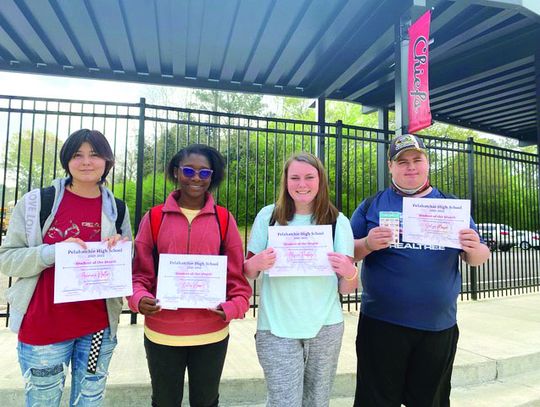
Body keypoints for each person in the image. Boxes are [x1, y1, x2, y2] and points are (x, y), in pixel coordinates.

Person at [350, 134, 491, 407]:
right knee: (375, 400)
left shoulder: (451, 207)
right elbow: (345, 254)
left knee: (431, 401)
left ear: (427, 163)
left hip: (438, 327)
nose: (410, 166)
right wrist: (367, 244)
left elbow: (478, 256)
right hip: (381, 325)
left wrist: (474, 248)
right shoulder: (372, 205)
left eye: (417, 159)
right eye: (402, 161)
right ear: (390, 166)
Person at [0, 129, 132, 406]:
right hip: (44, 327)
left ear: (107, 161)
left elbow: (126, 267)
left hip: (97, 329)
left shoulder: (117, 209)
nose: (86, 162)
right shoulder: (37, 203)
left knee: (90, 400)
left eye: (95, 155)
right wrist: (53, 252)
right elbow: (8, 258)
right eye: (77, 155)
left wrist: (119, 249)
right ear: (66, 161)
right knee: (43, 401)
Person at [128, 143, 252, 407]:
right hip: (163, 333)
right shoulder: (153, 218)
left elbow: (238, 283)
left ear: (212, 176)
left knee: (206, 403)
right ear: (176, 172)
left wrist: (232, 307)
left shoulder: (224, 219)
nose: (196, 178)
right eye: (188, 170)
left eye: (204, 173)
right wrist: (139, 298)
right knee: (164, 402)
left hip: (211, 334)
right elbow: (138, 275)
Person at [244, 152, 357, 407]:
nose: (302, 184)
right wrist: (255, 263)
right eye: (294, 177)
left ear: (320, 181)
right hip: (276, 327)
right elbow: (249, 272)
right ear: (285, 181)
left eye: (309, 177)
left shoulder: (337, 222)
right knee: (284, 402)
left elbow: (347, 287)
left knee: (317, 402)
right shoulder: (269, 216)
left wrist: (350, 272)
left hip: (325, 327)